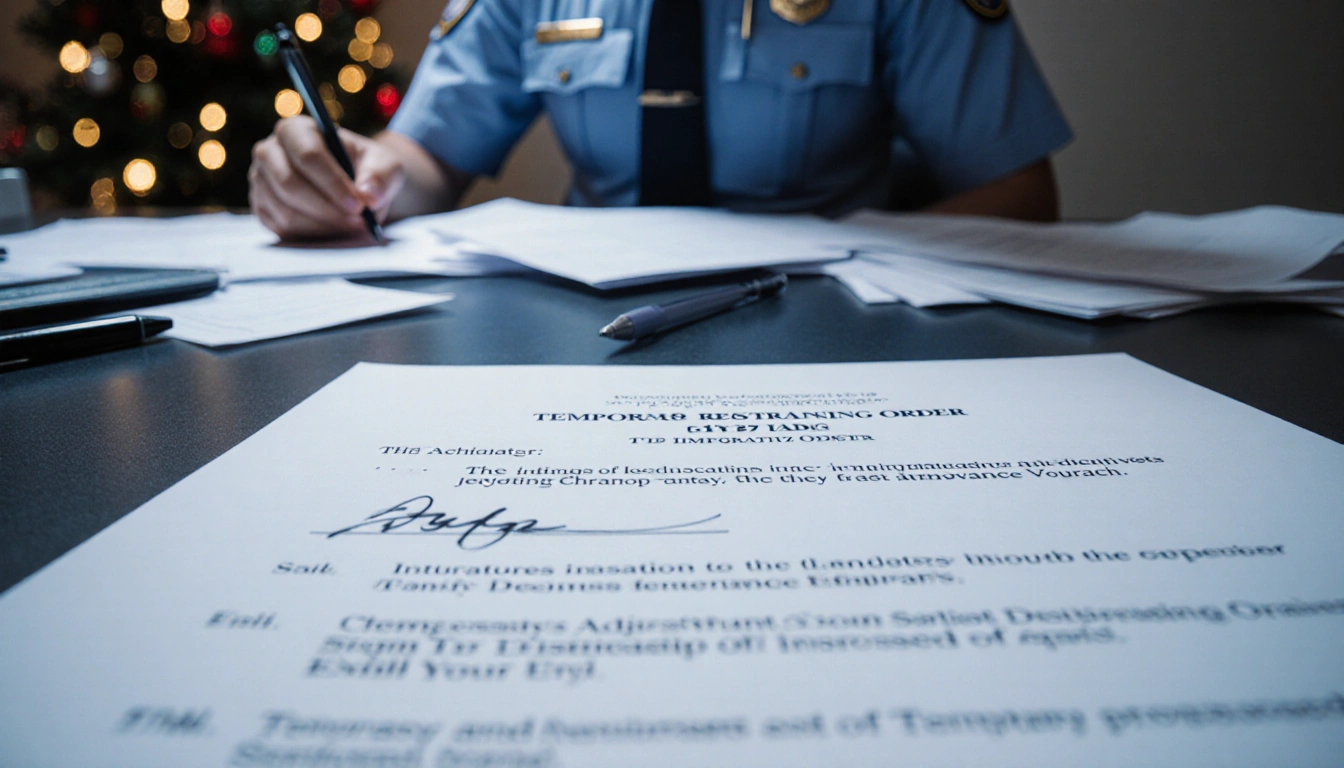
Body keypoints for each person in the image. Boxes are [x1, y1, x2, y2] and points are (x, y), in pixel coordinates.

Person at [249, 0, 1072, 240]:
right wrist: (362, 180)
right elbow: (427, 160)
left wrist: (855, 254)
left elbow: (1018, 193)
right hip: (592, 337)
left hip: (835, 332)